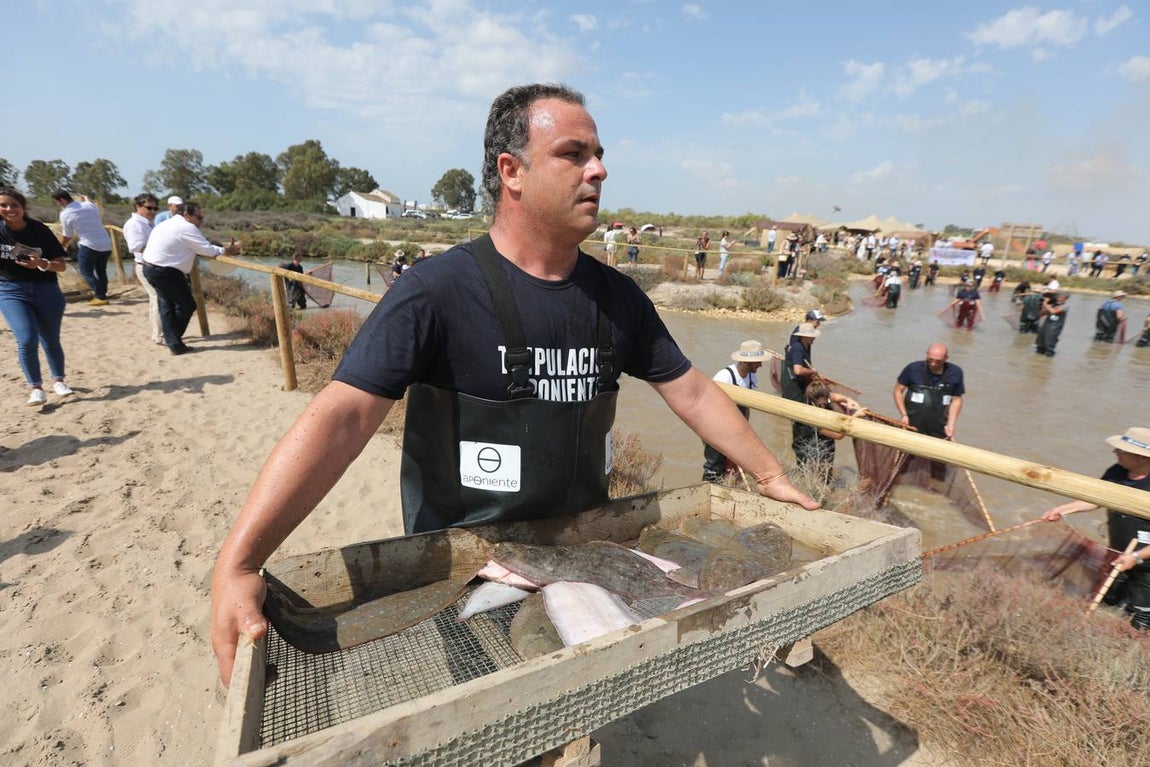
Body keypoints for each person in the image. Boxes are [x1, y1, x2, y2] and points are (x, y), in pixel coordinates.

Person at [209, 83, 817, 685]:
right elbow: (343, 417)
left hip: (583, 552)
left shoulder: (619, 299)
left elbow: (692, 391)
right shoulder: (435, 291)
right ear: (512, 172)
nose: (599, 171)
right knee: (483, 698)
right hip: (466, 567)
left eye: (599, 154)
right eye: (574, 154)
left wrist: (771, 476)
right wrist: (241, 560)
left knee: (583, 694)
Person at [1040, 427, 1150, 630]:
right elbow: (1095, 499)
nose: (1115, 452)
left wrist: (1136, 557)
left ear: (1143, 457)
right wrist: (1062, 510)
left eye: (1122, 450)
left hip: (1146, 562)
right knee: (1108, 601)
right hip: (1119, 555)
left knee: (1142, 619)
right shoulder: (1117, 471)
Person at [0, 187, 75, 406]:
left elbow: (61, 266)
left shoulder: (39, 230)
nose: (9, 209)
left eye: (14, 205)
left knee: (50, 339)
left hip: (46, 289)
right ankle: (36, 387)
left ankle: (59, 380)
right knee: (26, 338)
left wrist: (41, 264)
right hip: (11, 290)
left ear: (23, 207)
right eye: (3, 205)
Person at [141, 202, 241, 355]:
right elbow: (205, 249)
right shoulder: (186, 227)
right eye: (198, 217)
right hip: (165, 271)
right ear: (186, 215)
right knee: (186, 305)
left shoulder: (167, 223)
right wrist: (226, 250)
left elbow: (197, 246)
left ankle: (173, 342)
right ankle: (173, 340)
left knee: (166, 304)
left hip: (149, 267)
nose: (200, 221)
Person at [702, 340, 765, 482]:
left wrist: (745, 429)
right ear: (746, 362)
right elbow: (709, 406)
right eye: (757, 362)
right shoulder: (725, 377)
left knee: (732, 467)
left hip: (735, 428)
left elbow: (746, 406)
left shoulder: (751, 376)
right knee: (714, 468)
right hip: (716, 428)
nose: (760, 365)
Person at [791, 381, 860, 485]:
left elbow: (832, 397)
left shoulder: (816, 398)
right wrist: (855, 417)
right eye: (821, 404)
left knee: (825, 474)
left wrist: (848, 400)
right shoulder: (811, 416)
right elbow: (838, 435)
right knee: (816, 477)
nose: (824, 405)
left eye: (825, 402)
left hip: (821, 442)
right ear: (813, 401)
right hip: (810, 447)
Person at [52, 189, 113, 305]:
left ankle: (100, 296)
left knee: (86, 271)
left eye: (57, 202)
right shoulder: (89, 206)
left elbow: (68, 235)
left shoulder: (65, 214)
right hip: (105, 243)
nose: (58, 205)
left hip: (89, 244)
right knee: (101, 271)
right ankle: (102, 294)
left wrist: (60, 246)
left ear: (62, 200)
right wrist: (85, 197)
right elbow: (88, 201)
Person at [893, 344, 964, 440]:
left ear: (946, 358)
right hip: (911, 424)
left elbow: (956, 399)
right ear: (926, 355)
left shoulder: (955, 372)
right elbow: (898, 391)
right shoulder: (913, 369)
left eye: (938, 362)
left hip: (938, 427)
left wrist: (951, 425)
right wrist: (904, 415)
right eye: (930, 360)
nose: (933, 364)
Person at [123, 193, 163, 345]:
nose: (152, 211)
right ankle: (157, 334)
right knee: (157, 299)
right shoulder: (134, 224)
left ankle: (162, 331)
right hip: (145, 265)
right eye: (149, 208)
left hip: (155, 265)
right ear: (138, 207)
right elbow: (135, 247)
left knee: (160, 299)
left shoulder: (148, 223)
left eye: (155, 208)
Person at [781, 322, 820, 403]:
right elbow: (798, 370)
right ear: (804, 337)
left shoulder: (805, 347)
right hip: (792, 384)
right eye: (811, 336)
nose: (814, 338)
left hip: (797, 382)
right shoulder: (798, 349)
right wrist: (812, 371)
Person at [1035, 291, 1068, 356]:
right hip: (1045, 327)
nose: (1059, 299)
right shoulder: (1053, 305)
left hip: (1054, 329)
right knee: (1039, 346)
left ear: (1065, 299)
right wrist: (1044, 305)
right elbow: (1041, 314)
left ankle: (1048, 361)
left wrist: (1045, 303)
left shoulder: (1065, 306)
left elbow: (1054, 312)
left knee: (1049, 347)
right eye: (1058, 297)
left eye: (1061, 298)